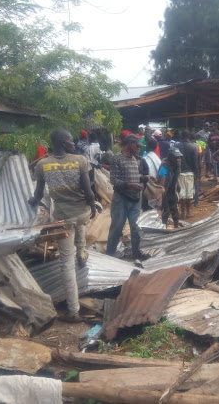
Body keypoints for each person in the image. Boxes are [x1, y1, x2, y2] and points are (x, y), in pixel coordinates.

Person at [28, 129, 98, 321]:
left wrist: (31, 202)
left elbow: (39, 193)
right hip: (81, 212)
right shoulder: (79, 161)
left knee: (66, 263)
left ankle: (73, 311)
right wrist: (92, 205)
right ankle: (82, 253)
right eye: (70, 141)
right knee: (80, 224)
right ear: (62, 143)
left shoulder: (42, 165)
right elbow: (88, 190)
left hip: (63, 217)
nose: (74, 144)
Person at [107, 134, 148, 259]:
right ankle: (110, 254)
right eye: (137, 146)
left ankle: (136, 253)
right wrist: (130, 185)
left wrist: (142, 178)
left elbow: (133, 177)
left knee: (136, 227)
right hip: (121, 198)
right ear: (130, 143)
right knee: (117, 227)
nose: (139, 149)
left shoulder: (135, 159)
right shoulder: (117, 159)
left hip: (135, 198)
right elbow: (113, 180)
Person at [158, 148, 183, 228]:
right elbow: (161, 184)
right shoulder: (164, 167)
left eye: (179, 157)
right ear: (171, 157)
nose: (178, 159)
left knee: (174, 209)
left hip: (172, 190)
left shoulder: (176, 165)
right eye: (176, 157)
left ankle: (176, 226)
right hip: (164, 191)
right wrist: (162, 197)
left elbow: (176, 177)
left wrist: (178, 185)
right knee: (166, 210)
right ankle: (164, 227)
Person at [178, 132, 200, 218]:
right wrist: (197, 175)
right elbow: (195, 163)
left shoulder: (177, 146)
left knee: (182, 193)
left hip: (180, 173)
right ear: (188, 137)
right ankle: (188, 212)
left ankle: (182, 212)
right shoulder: (193, 147)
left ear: (181, 137)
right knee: (189, 194)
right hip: (190, 173)